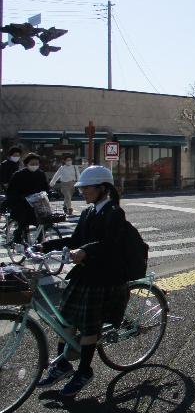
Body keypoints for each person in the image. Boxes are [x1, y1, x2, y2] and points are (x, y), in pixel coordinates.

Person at [37, 165, 130, 397]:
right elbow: (76, 238)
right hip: (85, 273)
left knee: (90, 327)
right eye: (82, 188)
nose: (82, 192)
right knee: (65, 320)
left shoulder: (114, 212)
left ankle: (84, 371)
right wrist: (45, 245)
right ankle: (62, 364)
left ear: (102, 188)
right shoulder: (89, 212)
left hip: (104, 277)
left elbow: (110, 244)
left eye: (86, 188)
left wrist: (86, 251)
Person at [5, 152, 51, 236]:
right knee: (22, 224)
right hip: (21, 204)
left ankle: (38, 244)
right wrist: (21, 197)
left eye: (37, 164)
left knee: (42, 225)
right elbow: (11, 191)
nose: (35, 165)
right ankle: (18, 239)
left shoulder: (40, 174)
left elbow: (45, 187)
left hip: (37, 204)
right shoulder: (18, 175)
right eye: (32, 164)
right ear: (26, 164)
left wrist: (49, 193)